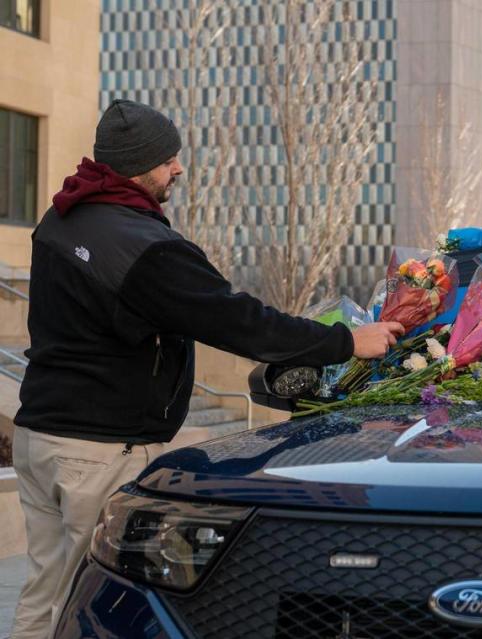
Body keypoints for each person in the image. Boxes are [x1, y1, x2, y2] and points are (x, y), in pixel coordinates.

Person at [10, 98, 404, 638]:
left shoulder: (60, 218)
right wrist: (345, 341)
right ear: (136, 164)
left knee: (47, 589)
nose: (178, 169)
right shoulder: (144, 247)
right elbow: (241, 322)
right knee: (96, 597)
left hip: (39, 436)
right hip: (96, 451)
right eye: (168, 159)